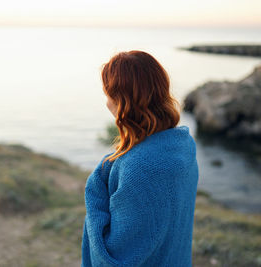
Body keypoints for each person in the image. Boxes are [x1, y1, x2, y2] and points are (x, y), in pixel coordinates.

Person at [81, 50, 199, 267]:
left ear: (121, 100)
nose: (106, 102)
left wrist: (96, 186)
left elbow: (114, 259)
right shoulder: (184, 146)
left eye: (107, 93)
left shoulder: (136, 168)